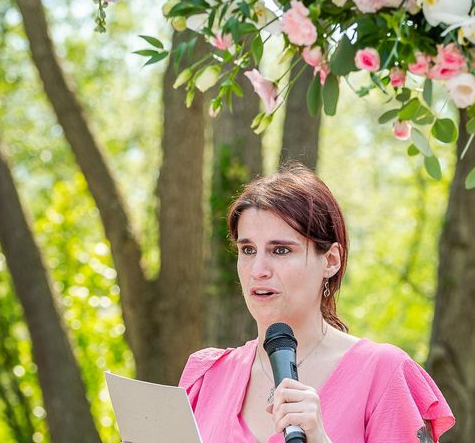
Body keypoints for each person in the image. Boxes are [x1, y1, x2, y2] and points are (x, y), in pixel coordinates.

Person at [179, 163, 454, 443]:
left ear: (331, 261)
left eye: (281, 250)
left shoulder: (383, 373)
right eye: (248, 250)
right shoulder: (207, 377)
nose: (258, 269)